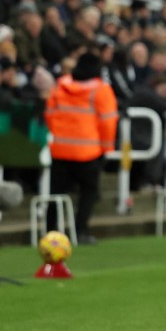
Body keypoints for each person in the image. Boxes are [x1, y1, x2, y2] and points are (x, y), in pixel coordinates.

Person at [44, 52, 119, 244]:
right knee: (88, 193)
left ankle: (50, 232)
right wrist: (106, 148)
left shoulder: (61, 85)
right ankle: (80, 231)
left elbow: (50, 114)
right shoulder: (101, 89)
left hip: (60, 149)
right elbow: (108, 121)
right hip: (88, 151)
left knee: (56, 193)